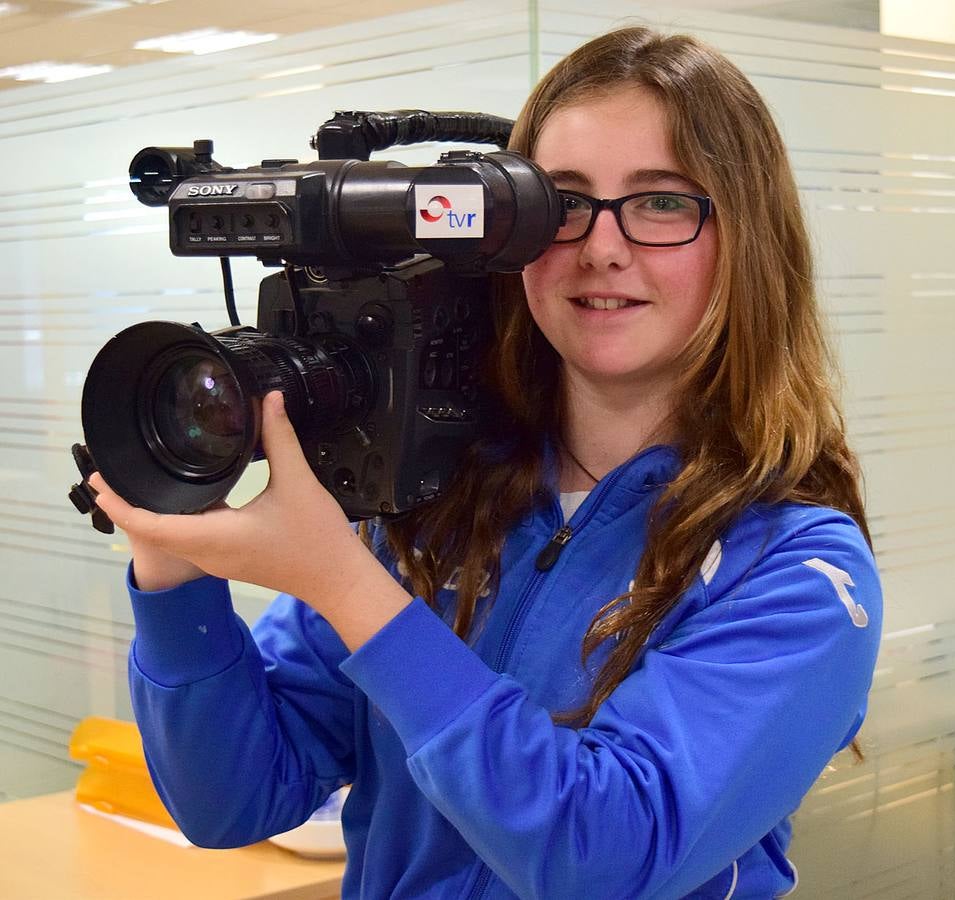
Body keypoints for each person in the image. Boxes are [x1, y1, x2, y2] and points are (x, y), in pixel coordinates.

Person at [90, 25, 882, 899]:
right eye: (565, 204)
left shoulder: (797, 571)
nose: (602, 248)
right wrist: (172, 572)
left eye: (662, 202)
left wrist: (349, 586)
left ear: (745, 242)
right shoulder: (435, 506)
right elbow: (230, 798)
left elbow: (601, 853)